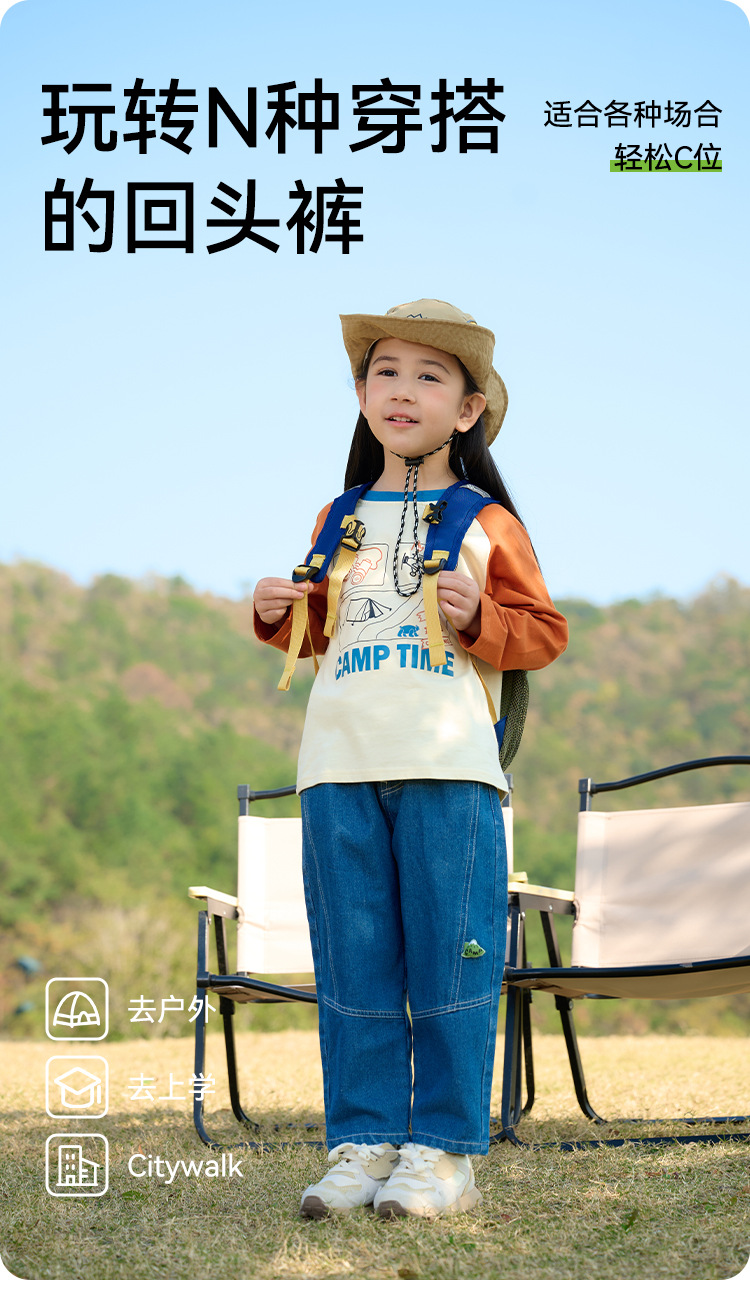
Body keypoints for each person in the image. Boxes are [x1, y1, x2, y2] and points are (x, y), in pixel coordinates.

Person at [253, 299, 568, 1220]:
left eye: (430, 376)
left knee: (451, 958)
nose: (402, 390)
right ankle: (365, 1142)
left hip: (450, 768)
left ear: (467, 410)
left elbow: (543, 632)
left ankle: (445, 1154)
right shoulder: (338, 515)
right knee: (353, 963)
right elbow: (325, 634)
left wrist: (483, 616)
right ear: (362, 395)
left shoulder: (487, 520)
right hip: (335, 765)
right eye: (385, 372)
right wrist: (276, 612)